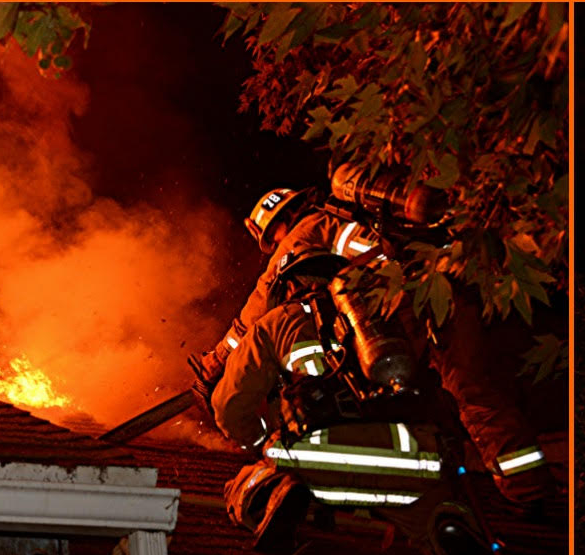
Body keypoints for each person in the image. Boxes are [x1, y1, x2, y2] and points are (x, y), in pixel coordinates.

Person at [232, 184, 552, 512]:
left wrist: (217, 361)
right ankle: (527, 485)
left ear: (276, 228)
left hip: (404, 302)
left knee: (419, 396)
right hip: (446, 284)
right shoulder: (350, 213)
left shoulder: (301, 234)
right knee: (475, 389)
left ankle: (506, 491)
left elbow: (256, 311)